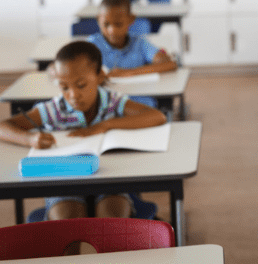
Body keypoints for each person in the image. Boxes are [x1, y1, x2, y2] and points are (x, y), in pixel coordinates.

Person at [0, 41, 166, 225]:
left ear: (99, 76)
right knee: (70, 224)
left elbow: (156, 116)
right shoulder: (55, 109)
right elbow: (2, 127)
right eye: (64, 87)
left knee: (112, 223)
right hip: (63, 182)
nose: (73, 95)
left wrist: (106, 125)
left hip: (110, 180)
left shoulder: (112, 102)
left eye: (81, 85)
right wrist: (29, 138)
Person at [87, 0, 177, 108]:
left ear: (131, 19)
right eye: (106, 24)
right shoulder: (92, 44)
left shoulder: (139, 43)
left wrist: (127, 73)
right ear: (98, 19)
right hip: (105, 104)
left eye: (118, 24)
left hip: (139, 103)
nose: (112, 31)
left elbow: (169, 64)